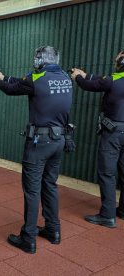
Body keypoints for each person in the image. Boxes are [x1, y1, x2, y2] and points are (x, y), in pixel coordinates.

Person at [0, 46, 73, 253]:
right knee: (50, 185)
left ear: (39, 60)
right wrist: (5, 76)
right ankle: (53, 230)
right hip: (59, 140)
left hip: (39, 142)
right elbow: (22, 83)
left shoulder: (36, 79)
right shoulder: (64, 77)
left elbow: (13, 89)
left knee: (32, 190)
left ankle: (28, 237)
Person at [70, 51, 124, 228]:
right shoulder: (113, 79)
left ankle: (107, 215)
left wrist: (78, 77)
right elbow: (102, 80)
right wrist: (86, 74)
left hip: (113, 133)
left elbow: (90, 85)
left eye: (117, 58)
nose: (115, 60)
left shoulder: (113, 80)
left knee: (107, 173)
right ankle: (122, 210)